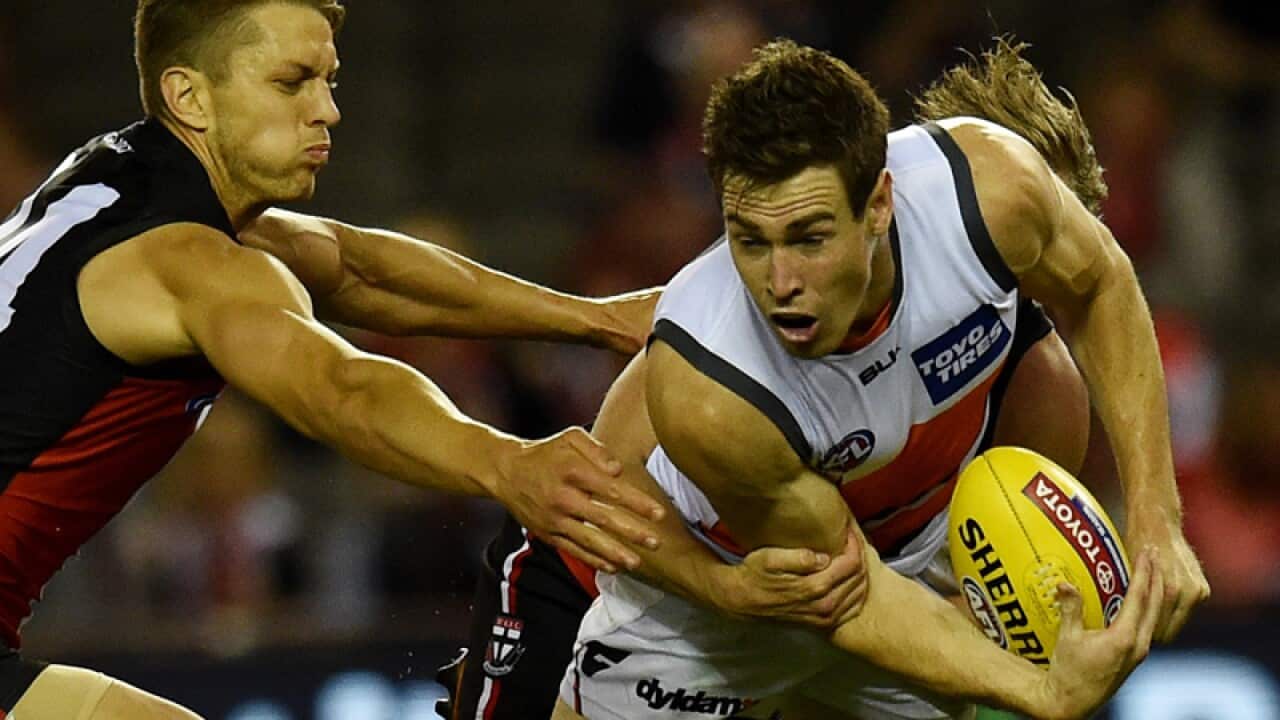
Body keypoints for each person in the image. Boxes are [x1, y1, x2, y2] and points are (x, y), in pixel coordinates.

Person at [437, 37, 1172, 720]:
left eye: (808, 239)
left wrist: (1155, 525)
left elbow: (1101, 284)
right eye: (751, 241)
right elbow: (817, 584)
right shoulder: (711, 380)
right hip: (650, 575)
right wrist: (1039, 689)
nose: (780, 281)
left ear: (879, 204)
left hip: (848, 586)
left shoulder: (1035, 380)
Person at [0, 2, 678, 718]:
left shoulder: (113, 180)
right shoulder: (187, 260)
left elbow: (357, 268)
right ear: (188, 96)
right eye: (291, 82)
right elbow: (341, 388)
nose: (327, 110)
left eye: (329, 79)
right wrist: (508, 464)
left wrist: (597, 319)